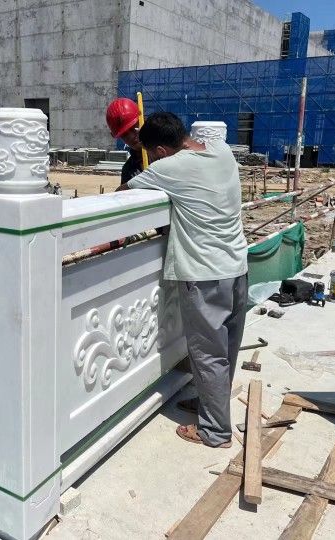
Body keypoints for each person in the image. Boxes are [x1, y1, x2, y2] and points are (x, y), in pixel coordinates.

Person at [117, 112, 248, 449]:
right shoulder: (222, 151)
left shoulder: (168, 168)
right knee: (227, 348)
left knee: (208, 354)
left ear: (161, 150)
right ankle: (211, 405)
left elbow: (122, 192)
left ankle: (215, 432)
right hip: (237, 267)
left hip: (204, 275)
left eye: (153, 153)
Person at [106, 98, 143, 184]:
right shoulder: (129, 170)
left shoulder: (167, 148)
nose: (132, 136)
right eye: (125, 134)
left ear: (142, 120)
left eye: (134, 128)